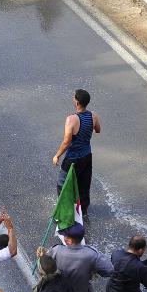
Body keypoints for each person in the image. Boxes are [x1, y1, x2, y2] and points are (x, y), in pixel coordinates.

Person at [52, 88, 101, 219]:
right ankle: (83, 211)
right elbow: (98, 130)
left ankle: (64, 211)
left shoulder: (71, 119)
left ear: (77, 102)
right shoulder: (93, 116)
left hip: (73, 158)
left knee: (63, 183)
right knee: (84, 183)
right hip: (87, 156)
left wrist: (57, 155)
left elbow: (67, 142)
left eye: (74, 97)